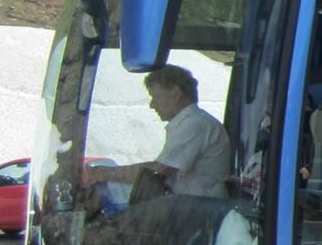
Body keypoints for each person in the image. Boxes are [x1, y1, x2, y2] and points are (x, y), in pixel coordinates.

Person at [90, 64, 231, 198]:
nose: (152, 105)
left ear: (176, 93)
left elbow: (157, 171)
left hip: (198, 209)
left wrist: (106, 173)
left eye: (156, 96)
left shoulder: (195, 124)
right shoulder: (190, 122)